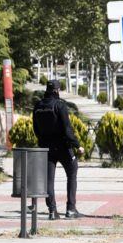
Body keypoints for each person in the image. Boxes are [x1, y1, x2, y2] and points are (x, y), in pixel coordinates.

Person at [32, 80, 83, 219]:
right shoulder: (60, 105)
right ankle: (71, 209)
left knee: (49, 179)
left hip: (46, 147)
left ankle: (52, 211)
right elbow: (67, 129)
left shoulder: (38, 106)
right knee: (72, 172)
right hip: (63, 146)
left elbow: (35, 129)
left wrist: (42, 141)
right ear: (56, 91)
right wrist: (77, 145)